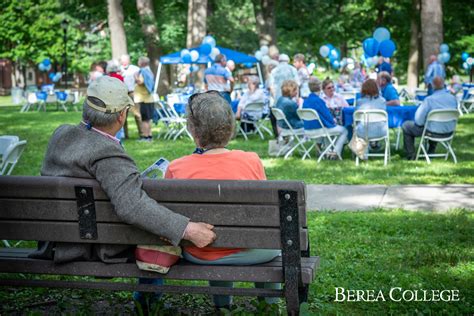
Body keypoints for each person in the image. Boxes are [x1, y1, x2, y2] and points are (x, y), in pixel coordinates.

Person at [165, 91, 281, 309]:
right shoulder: (251, 161)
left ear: (193, 131)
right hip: (256, 250)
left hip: (200, 252)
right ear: (230, 128)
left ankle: (222, 305)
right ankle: (270, 306)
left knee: (214, 233)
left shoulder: (176, 167)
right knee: (264, 239)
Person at [402, 77, 457, 160]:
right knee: (433, 124)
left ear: (432, 86)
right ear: (444, 85)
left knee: (406, 126)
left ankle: (411, 155)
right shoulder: (453, 99)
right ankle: (431, 151)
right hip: (448, 131)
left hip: (432, 132)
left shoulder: (429, 100)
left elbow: (418, 121)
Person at [303, 77, 348, 159]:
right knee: (344, 130)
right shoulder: (319, 101)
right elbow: (329, 118)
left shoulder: (305, 101)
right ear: (320, 87)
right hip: (318, 130)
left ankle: (327, 152)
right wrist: (333, 120)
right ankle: (335, 152)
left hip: (307, 130)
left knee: (328, 128)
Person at [120, 54, 142, 139]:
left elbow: (140, 81)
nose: (124, 62)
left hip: (133, 93)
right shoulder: (119, 69)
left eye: (126, 60)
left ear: (129, 60)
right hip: (123, 94)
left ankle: (142, 134)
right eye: (123, 61)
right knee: (123, 115)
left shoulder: (135, 69)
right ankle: (125, 135)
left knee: (137, 114)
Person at [134, 56, 155, 141]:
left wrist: (135, 77)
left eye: (139, 61)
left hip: (144, 98)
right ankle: (149, 135)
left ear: (142, 63)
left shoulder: (143, 71)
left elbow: (140, 82)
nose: (138, 62)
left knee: (144, 119)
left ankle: (146, 137)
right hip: (149, 98)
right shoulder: (149, 71)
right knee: (148, 119)